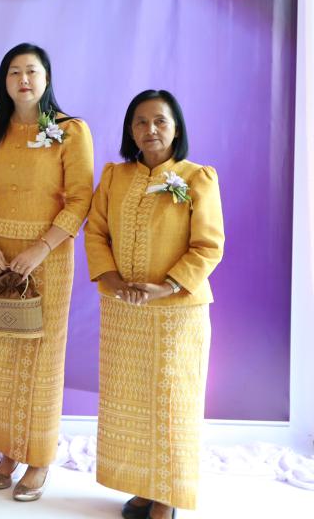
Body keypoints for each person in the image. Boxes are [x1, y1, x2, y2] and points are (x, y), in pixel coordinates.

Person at [85, 90, 223, 519]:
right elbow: (96, 232)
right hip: (124, 312)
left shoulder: (196, 178)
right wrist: (110, 279)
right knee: (132, 404)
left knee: (171, 404)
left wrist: (166, 287)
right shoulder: (115, 177)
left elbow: (208, 246)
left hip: (177, 314)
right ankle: (143, 487)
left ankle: (166, 496)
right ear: (131, 130)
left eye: (160, 121)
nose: (151, 129)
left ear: (176, 128)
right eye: (141, 122)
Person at [0, 43, 93, 501]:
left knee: (41, 358)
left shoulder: (70, 131)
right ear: (4, 81)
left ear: (46, 78)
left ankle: (38, 457)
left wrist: (40, 249)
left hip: (47, 259)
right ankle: (7, 449)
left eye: (32, 71)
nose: (23, 79)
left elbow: (80, 199)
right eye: (14, 72)